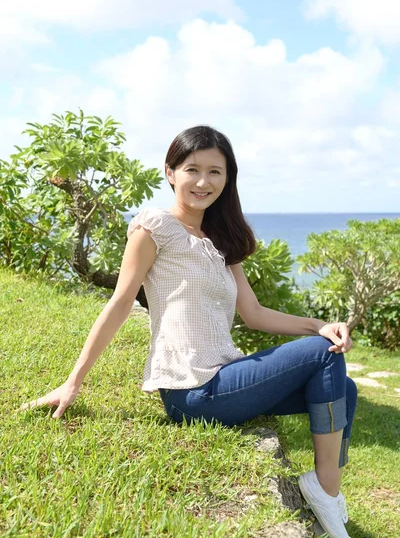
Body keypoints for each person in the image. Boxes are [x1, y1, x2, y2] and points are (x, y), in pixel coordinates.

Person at [20, 126, 357, 538]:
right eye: (192, 169)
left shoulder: (221, 240)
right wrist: (73, 382)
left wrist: (319, 325)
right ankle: (326, 490)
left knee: (345, 385)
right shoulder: (154, 227)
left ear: (227, 179)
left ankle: (326, 488)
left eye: (215, 172)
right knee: (322, 353)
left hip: (226, 377)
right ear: (170, 172)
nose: (203, 181)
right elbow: (121, 303)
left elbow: (253, 313)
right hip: (193, 391)